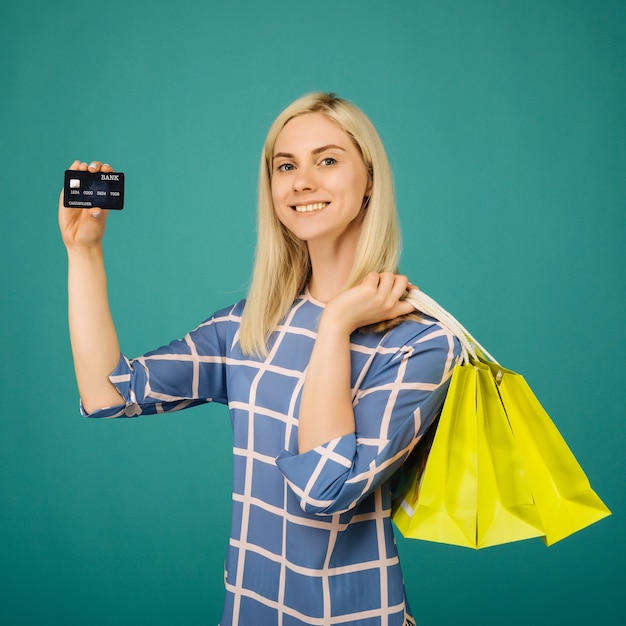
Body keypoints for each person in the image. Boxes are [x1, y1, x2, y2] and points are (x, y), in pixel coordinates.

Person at [59, 92, 460, 626]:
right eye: (285, 165)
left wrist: (337, 322)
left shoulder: (421, 343)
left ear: (369, 181)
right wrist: (83, 252)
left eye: (328, 160)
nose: (302, 181)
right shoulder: (250, 326)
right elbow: (107, 393)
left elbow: (324, 488)